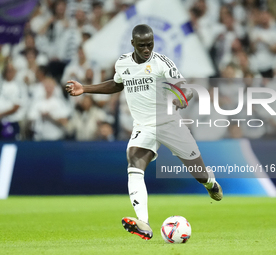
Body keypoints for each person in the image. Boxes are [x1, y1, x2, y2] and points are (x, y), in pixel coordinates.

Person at [65, 24, 223, 240]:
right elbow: (117, 84)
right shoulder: (122, 63)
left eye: (150, 44)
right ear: (133, 44)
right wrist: (85, 89)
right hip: (143, 126)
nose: (147, 49)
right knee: (134, 162)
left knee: (200, 175)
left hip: (169, 123)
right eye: (142, 45)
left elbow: (184, 88)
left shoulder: (162, 63)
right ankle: (144, 224)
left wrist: (182, 96)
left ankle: (211, 184)